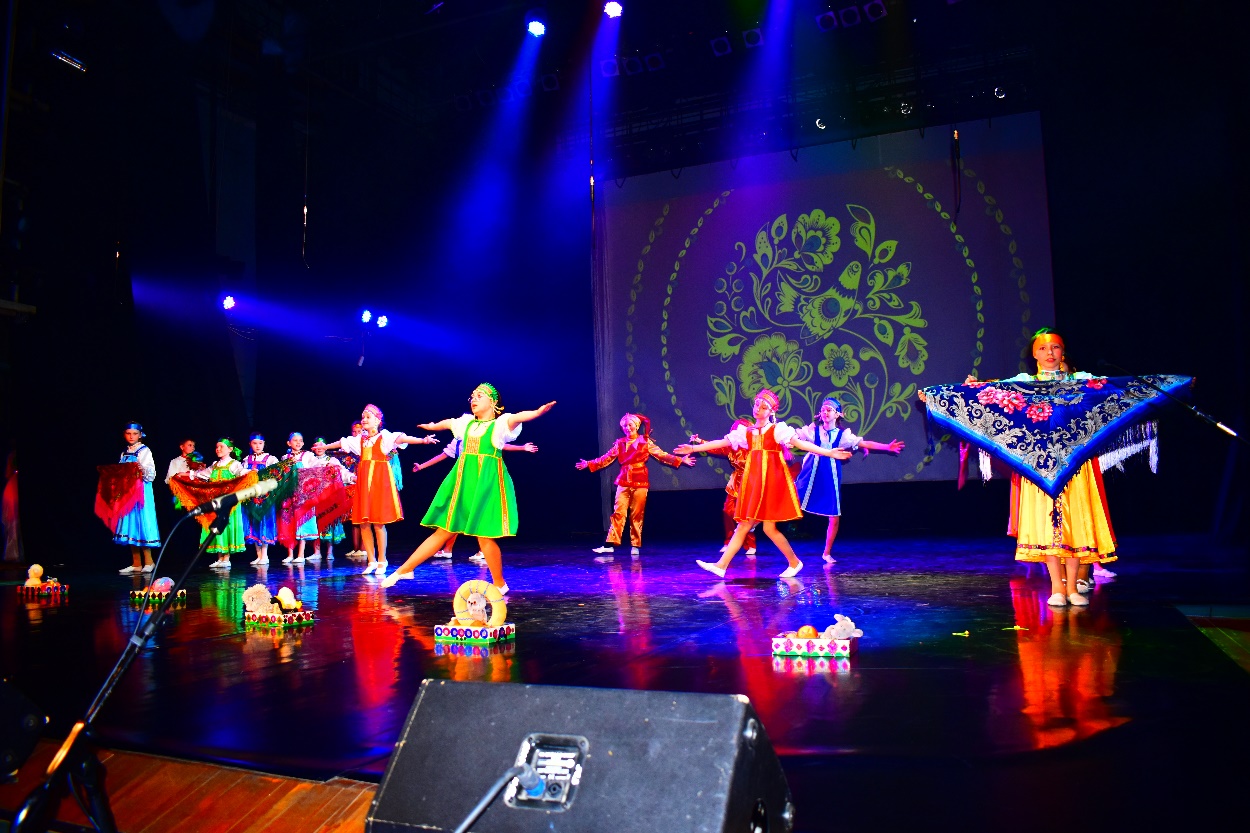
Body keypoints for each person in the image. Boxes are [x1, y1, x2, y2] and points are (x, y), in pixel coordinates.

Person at [381, 384, 555, 591]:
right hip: (463, 483)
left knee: (484, 536)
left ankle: (499, 584)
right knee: (443, 531)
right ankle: (405, 569)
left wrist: (537, 412)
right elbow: (448, 423)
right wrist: (432, 426)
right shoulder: (467, 424)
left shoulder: (499, 425)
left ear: (492, 401)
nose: (474, 399)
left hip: (486, 483)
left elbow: (518, 417)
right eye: (472, 396)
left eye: (479, 396)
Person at [675, 390, 852, 579]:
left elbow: (801, 444)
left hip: (771, 484)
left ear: (771, 411)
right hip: (755, 483)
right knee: (759, 527)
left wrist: (828, 453)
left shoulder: (776, 430)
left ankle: (728, 565)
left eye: (764, 407)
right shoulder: (746, 432)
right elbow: (722, 442)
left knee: (753, 526)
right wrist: (693, 447)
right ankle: (786, 563)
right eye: (757, 404)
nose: (758, 409)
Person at [999, 329, 1117, 606]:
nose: (1049, 353)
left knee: (1075, 524)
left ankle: (1073, 586)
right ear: (1034, 354)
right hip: (1040, 466)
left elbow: (1120, 390)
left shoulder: (1082, 380)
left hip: (1075, 463)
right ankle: (1056, 586)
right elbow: (986, 392)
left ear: (1063, 352)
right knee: (1046, 525)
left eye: (1055, 347)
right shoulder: (1024, 383)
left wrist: (1175, 386)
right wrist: (939, 395)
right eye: (1043, 348)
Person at [322, 405, 437, 576]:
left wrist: (423, 440)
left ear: (377, 420)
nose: (364, 420)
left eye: (368, 417)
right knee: (363, 523)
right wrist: (325, 447)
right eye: (363, 417)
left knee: (377, 523)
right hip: (363, 483)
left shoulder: (385, 437)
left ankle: (382, 560)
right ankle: (371, 560)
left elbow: (402, 438)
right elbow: (342, 442)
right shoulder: (360, 440)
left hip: (378, 482)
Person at [793, 398, 905, 563]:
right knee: (791, 498)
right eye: (823, 410)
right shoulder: (813, 431)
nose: (825, 412)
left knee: (834, 515)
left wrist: (887, 447)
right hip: (811, 471)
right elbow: (793, 436)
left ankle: (827, 552)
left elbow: (864, 443)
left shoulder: (842, 435)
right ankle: (757, 523)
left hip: (830, 473)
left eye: (829, 410)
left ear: (837, 414)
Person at [576, 413, 693, 563]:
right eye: (625, 426)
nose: (628, 428)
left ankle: (635, 544)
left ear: (636, 426)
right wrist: (589, 463)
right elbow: (607, 458)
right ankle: (609, 544)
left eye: (630, 425)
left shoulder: (645, 441)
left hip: (640, 480)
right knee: (618, 512)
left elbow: (661, 455)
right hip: (623, 480)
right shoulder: (619, 443)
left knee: (637, 514)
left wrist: (680, 460)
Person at [411, 432, 538, 560]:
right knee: (455, 514)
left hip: (481, 479)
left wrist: (522, 448)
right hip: (464, 480)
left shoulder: (481, 434)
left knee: (479, 514)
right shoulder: (458, 440)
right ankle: (447, 550)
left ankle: (484, 551)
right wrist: (421, 466)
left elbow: (501, 445)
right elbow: (444, 455)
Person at [194, 438, 249, 569]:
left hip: (229, 503)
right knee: (216, 526)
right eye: (217, 447)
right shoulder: (215, 465)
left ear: (230, 449)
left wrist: (251, 472)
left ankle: (226, 558)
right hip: (216, 502)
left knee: (226, 526)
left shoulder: (234, 464)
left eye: (221, 447)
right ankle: (219, 557)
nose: (218, 449)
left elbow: (243, 474)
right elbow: (201, 475)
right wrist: (188, 474)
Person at [114, 422, 160, 575]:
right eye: (128, 433)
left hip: (140, 492)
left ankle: (149, 561)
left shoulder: (144, 451)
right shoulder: (124, 452)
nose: (131, 436)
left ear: (140, 435)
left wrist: (141, 468)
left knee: (141, 524)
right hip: (128, 493)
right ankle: (136, 563)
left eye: (134, 434)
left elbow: (151, 473)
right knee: (130, 526)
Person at [308, 437, 353, 561]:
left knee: (330, 522)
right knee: (316, 523)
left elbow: (342, 472)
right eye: (316, 445)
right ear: (313, 448)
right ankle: (317, 551)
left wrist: (351, 477)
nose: (319, 448)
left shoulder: (332, 460)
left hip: (330, 496)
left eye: (321, 445)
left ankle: (329, 551)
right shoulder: (310, 460)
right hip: (315, 497)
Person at [242, 433, 279, 566]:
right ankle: (258, 555)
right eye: (254, 443)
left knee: (264, 522)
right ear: (250, 444)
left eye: (260, 443)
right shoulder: (247, 460)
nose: (257, 446)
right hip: (251, 495)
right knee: (253, 523)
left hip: (265, 496)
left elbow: (276, 475)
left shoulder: (270, 459)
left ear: (264, 444)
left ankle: (265, 555)